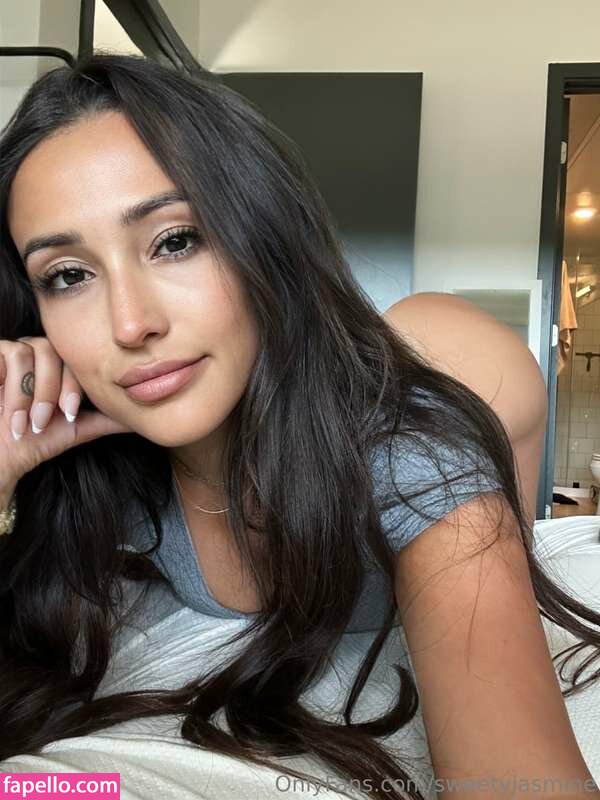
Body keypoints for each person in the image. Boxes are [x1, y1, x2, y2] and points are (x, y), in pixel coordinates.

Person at [0, 52, 599, 800]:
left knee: (445, 353)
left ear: (264, 235)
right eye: (68, 275)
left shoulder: (410, 451)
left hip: (457, 364)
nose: (130, 324)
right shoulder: (109, 467)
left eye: (176, 239)